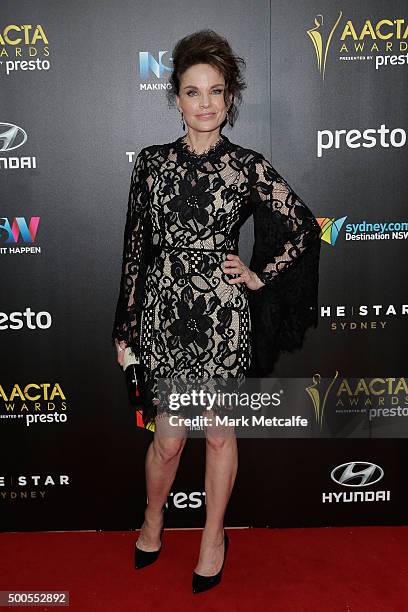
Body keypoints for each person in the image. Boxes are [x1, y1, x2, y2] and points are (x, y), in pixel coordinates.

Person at [112, 30, 321, 594]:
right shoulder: (151, 165)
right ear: (175, 98)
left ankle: (212, 536)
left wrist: (259, 273)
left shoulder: (249, 166)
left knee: (221, 436)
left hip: (223, 318)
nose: (205, 103)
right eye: (192, 91)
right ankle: (153, 517)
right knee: (169, 439)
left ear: (230, 99)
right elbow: (136, 248)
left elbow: (303, 226)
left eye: (216, 91)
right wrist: (124, 326)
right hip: (163, 312)